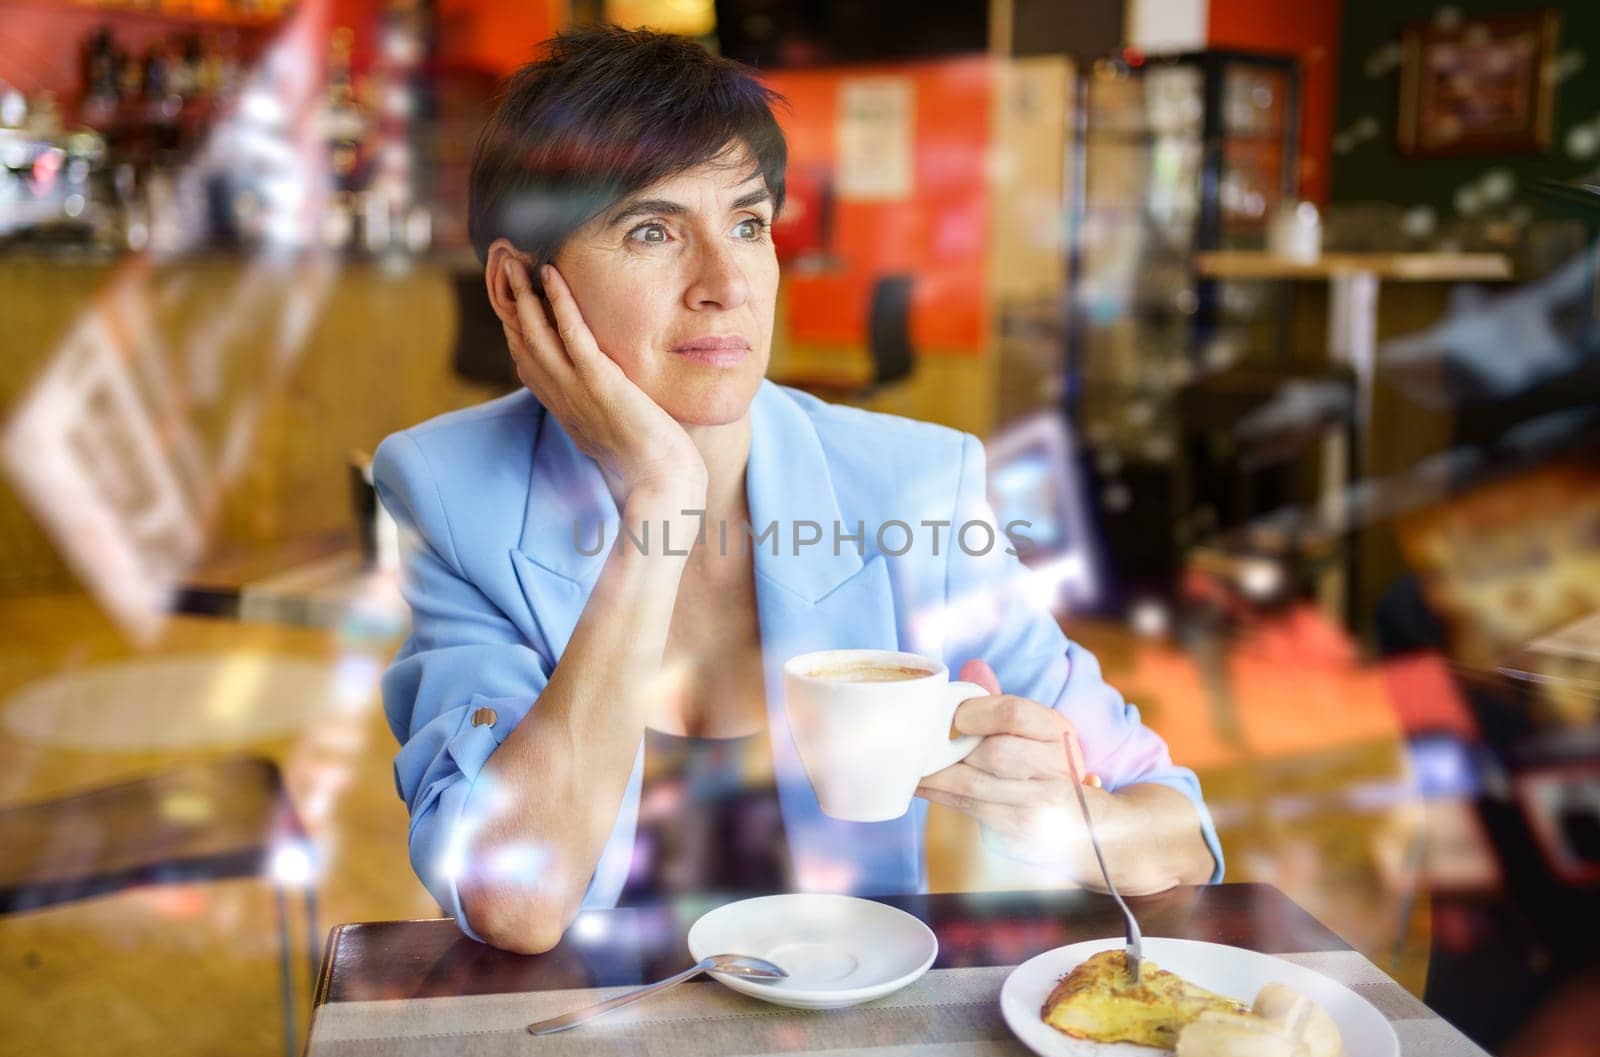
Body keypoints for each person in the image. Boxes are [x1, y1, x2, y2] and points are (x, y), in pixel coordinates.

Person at [375, 26, 1221, 955]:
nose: (727, 282)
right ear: (518, 289)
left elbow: (1180, 833)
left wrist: (1068, 823)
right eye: (652, 230)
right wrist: (658, 497)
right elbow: (514, 902)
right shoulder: (453, 494)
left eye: (748, 224)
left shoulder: (913, 492)